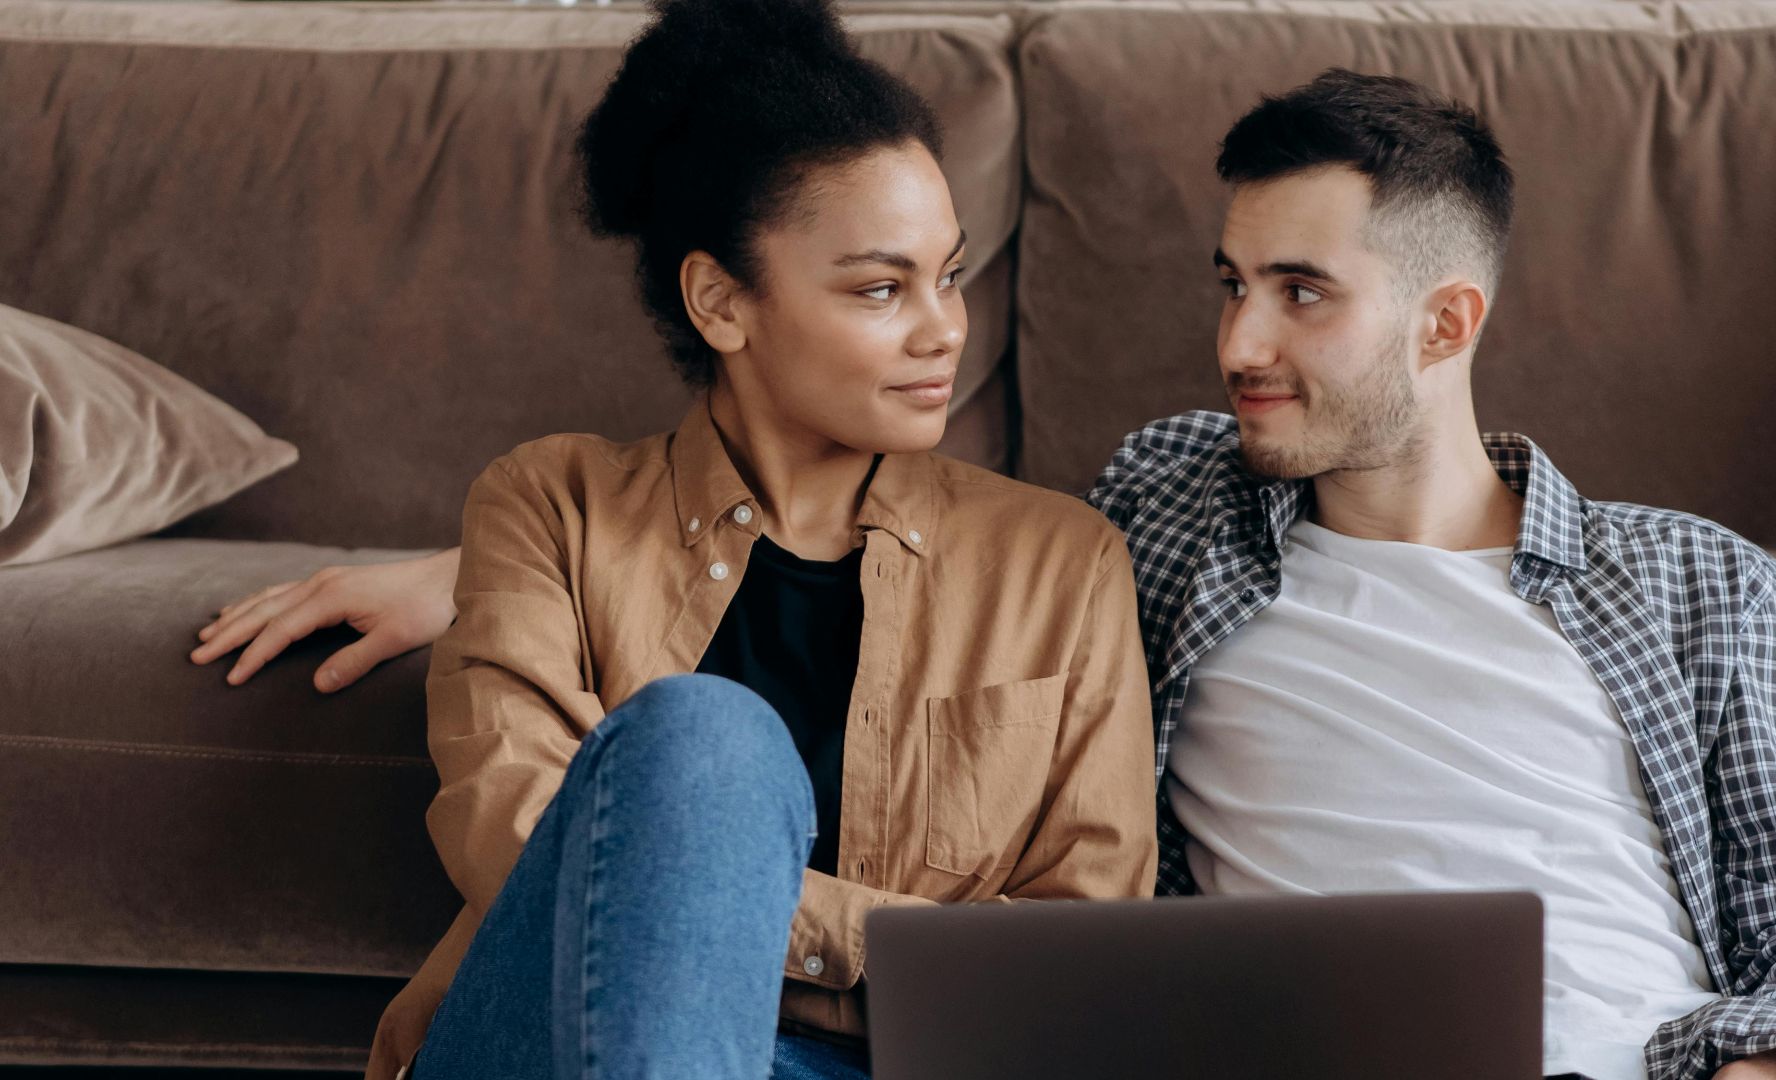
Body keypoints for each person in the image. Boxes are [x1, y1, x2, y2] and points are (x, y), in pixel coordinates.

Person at [193, 65, 1776, 1080]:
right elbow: (767, 551)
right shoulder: (1182, 513)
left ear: (1449, 323)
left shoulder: (1699, 588)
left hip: (1634, 1060)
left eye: (1300, 294)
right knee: (706, 740)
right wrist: (477, 573)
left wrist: (1765, 1071)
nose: (1235, 340)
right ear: (725, 298)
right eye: (1225, 281)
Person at [222, 2, 1160, 1077]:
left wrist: (709, 896)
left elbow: (1075, 962)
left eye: (949, 275)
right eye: (880, 288)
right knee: (704, 740)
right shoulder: (547, 507)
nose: (944, 327)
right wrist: (877, 935)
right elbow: (519, 846)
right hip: (553, 1043)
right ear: (721, 301)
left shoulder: (1064, 565)